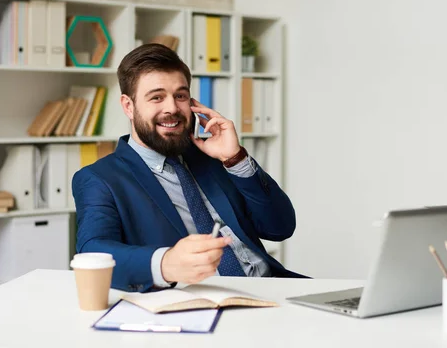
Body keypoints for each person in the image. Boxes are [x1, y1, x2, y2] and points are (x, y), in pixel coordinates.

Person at [72, 43, 305, 292]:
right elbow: (93, 251)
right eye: (157, 97)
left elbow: (280, 227)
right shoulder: (100, 178)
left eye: (180, 96)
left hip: (272, 289)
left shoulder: (215, 158)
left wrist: (235, 159)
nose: (172, 108)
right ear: (128, 106)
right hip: (200, 306)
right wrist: (165, 264)